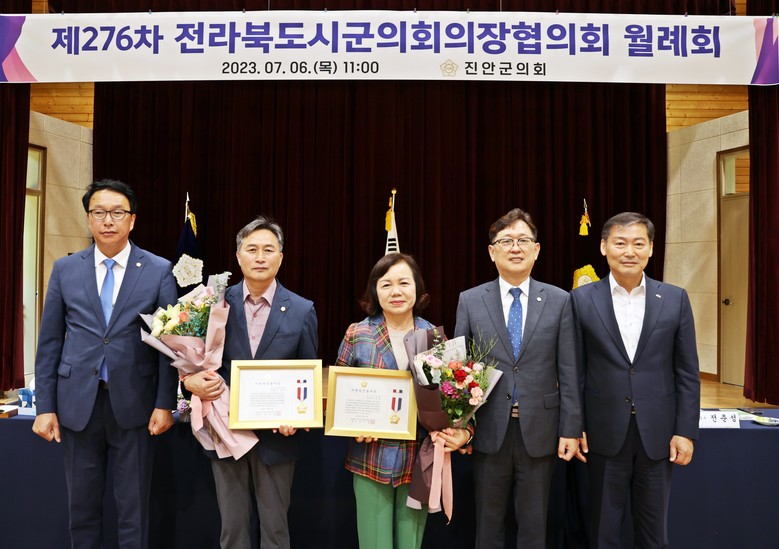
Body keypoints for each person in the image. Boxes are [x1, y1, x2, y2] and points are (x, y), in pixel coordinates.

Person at [32, 179, 178, 549]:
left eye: (117, 213)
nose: (107, 221)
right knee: (81, 509)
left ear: (132, 220)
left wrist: (165, 402)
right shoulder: (65, 269)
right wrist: (45, 406)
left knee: (134, 509)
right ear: (88, 218)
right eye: (99, 212)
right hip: (77, 403)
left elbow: (169, 344)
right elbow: (49, 342)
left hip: (136, 404)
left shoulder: (158, 269)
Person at [183, 216, 318, 549]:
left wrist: (299, 416)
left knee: (275, 531)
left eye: (268, 250)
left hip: (277, 438)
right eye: (252, 249)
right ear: (238, 256)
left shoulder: (301, 310)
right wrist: (189, 380)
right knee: (232, 530)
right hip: (226, 430)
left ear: (280, 257)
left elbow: (307, 377)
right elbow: (192, 362)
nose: (260, 257)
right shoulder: (212, 304)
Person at [454, 208, 582, 549]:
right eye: (506, 241)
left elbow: (569, 370)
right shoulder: (470, 300)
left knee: (534, 526)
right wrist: (461, 425)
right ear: (491, 251)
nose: (515, 247)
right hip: (489, 429)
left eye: (523, 240)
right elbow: (459, 369)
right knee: (488, 524)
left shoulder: (559, 300)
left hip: (541, 430)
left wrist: (570, 428)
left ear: (536, 250)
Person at [571, 212, 700, 549]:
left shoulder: (674, 298)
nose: (629, 251)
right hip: (601, 433)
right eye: (620, 243)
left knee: (654, 534)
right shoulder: (581, 300)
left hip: (658, 434)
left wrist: (685, 430)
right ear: (604, 247)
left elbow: (687, 372)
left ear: (651, 248)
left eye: (638, 243)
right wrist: (575, 424)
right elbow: (575, 370)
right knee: (603, 532)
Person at [335, 253, 470, 549]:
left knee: (411, 544)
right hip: (370, 457)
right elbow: (339, 397)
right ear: (375, 290)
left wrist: (463, 430)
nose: (396, 291)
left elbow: (456, 397)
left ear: (417, 288)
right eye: (386, 284)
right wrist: (353, 425)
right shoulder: (358, 334)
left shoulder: (434, 338)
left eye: (404, 283)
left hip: (419, 458)